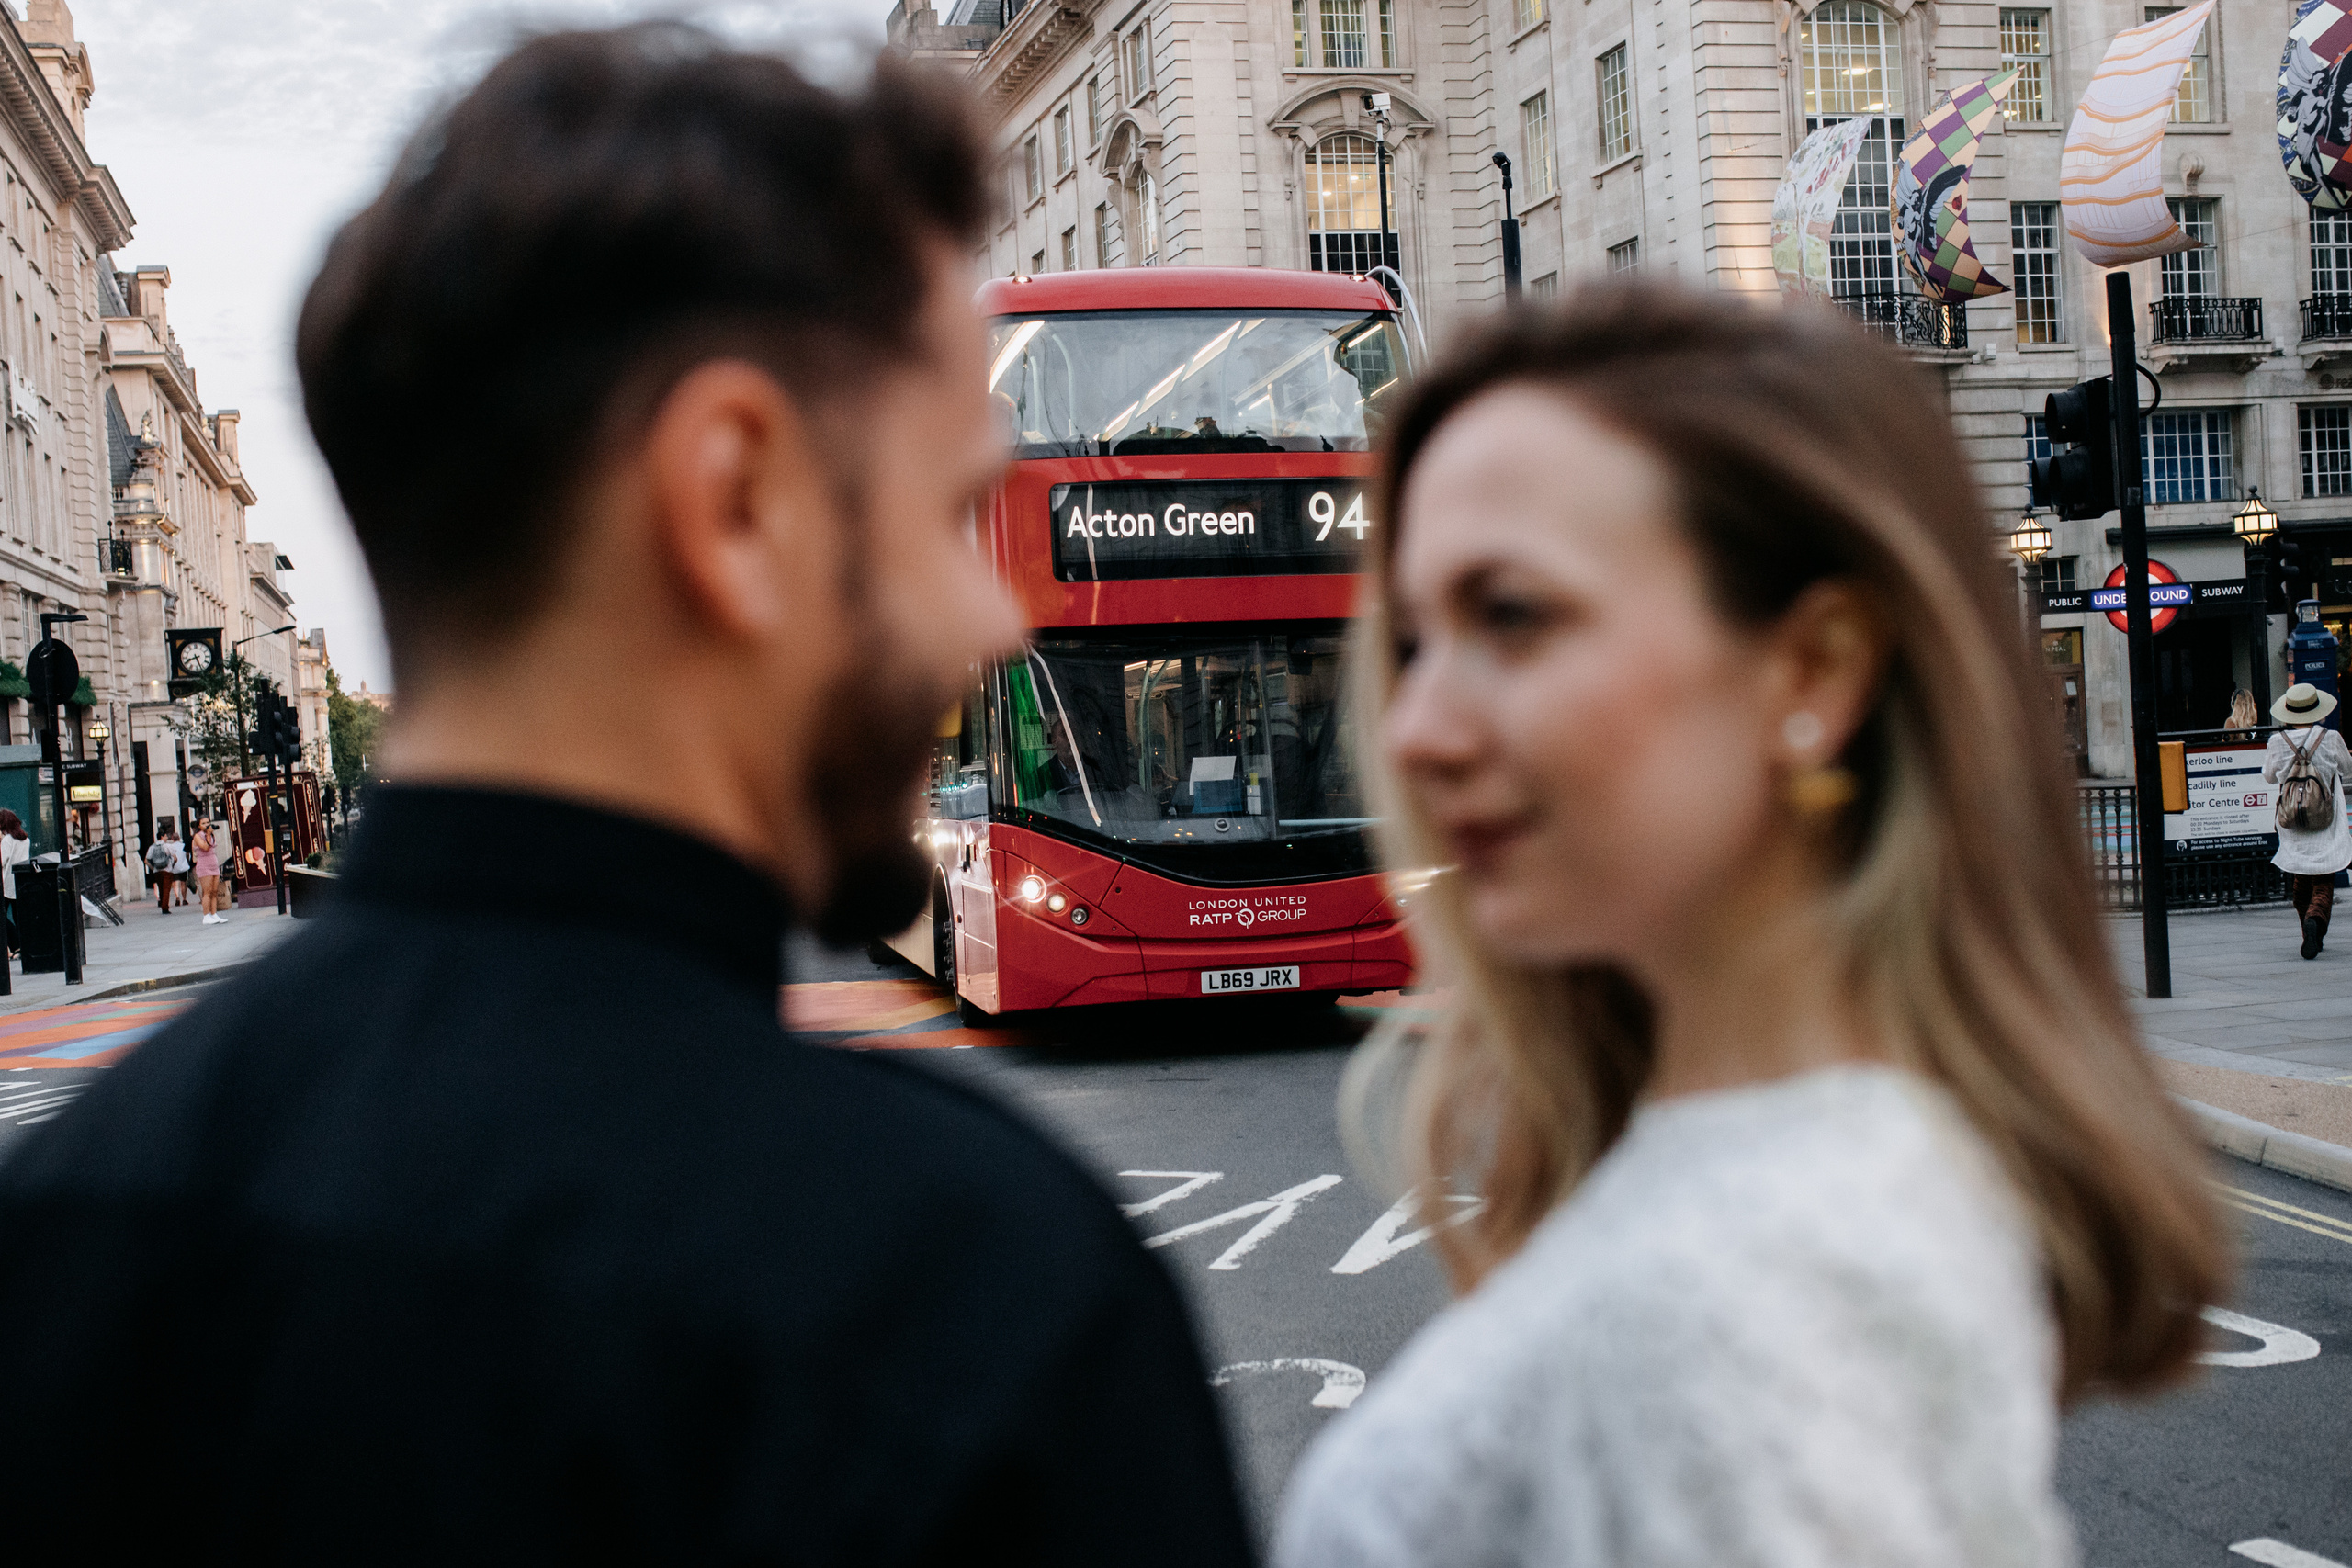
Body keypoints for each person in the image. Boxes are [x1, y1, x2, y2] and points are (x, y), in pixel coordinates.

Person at [0, 28, 1251, 1565]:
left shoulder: (58, 1238)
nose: (988, 619)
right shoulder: (972, 1291)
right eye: (944, 511)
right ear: (734, 498)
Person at [1278, 283, 2227, 1568]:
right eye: (1413, 641)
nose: (1417, 729)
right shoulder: (1891, 1169)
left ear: (1813, 668)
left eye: (1511, 615)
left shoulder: (1717, 1317)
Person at [2264, 682, 2350, 960]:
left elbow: (2268, 775)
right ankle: (2315, 921)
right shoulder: (2331, 736)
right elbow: (2347, 769)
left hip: (2293, 817)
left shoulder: (2278, 741)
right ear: (2317, 710)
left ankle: (2307, 929)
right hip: (2326, 816)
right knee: (2323, 878)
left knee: (2301, 877)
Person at [0, 808, 26, 958]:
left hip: (6, 883)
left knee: (2, 917)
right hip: (20, 882)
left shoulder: (8, 840)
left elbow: (2, 860)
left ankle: (16, 945)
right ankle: (22, 946)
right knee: (18, 916)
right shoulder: (25, 839)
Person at [190, 818, 225, 924]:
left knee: (215, 891)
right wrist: (208, 835)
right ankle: (206, 915)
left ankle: (214, 914)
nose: (206, 825)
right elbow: (205, 847)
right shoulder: (198, 836)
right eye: (203, 823)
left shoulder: (211, 835)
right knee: (207, 891)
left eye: (207, 823)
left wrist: (210, 834)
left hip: (213, 864)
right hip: (204, 865)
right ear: (199, 826)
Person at [143, 822, 181, 915]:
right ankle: (165, 907)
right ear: (162, 836)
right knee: (167, 889)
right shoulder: (167, 846)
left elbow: (146, 860)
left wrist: (153, 868)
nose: (167, 837)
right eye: (166, 835)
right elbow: (175, 858)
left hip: (157, 871)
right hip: (167, 870)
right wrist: (172, 865)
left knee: (161, 888)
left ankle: (161, 901)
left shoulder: (152, 847)